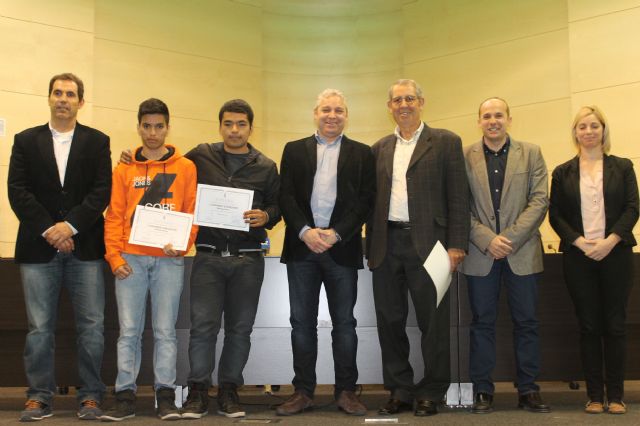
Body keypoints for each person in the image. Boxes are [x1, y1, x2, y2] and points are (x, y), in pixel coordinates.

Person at [123, 99, 281, 418]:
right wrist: (134, 156)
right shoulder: (201, 155)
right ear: (220, 126)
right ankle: (197, 391)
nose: (234, 130)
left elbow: (278, 207)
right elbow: (167, 161)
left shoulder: (266, 166)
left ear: (251, 128)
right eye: (228, 123)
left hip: (248, 260)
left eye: (241, 124)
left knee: (240, 329)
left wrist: (266, 215)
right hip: (208, 257)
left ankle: (229, 391)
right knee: (202, 328)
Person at [8, 73, 111, 422]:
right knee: (39, 328)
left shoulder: (97, 142)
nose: (63, 99)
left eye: (70, 94)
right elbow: (17, 191)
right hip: (37, 248)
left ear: (80, 101)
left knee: (92, 326)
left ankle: (91, 395)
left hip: (86, 247)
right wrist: (50, 230)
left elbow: (101, 192)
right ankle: (39, 397)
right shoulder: (25, 140)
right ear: (50, 98)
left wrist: (70, 226)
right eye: (57, 93)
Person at [367, 79, 469, 417]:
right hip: (386, 245)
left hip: (434, 246)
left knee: (434, 323)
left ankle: (431, 391)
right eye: (397, 100)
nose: (404, 105)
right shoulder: (378, 148)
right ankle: (400, 390)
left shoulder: (446, 142)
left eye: (409, 98)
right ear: (390, 107)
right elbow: (371, 202)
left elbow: (458, 196)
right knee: (390, 322)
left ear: (421, 102)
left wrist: (457, 244)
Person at [276, 89, 375, 416]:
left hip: (341, 249)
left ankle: (346, 392)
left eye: (339, 110)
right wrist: (306, 231)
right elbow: (286, 196)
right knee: (301, 323)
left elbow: (366, 200)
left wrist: (335, 234)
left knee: (345, 324)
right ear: (315, 114)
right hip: (302, 248)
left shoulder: (362, 153)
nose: (332, 115)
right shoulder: (293, 150)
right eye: (326, 110)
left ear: (346, 116)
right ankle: (303, 392)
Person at [101, 98, 198, 421]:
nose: (153, 132)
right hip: (130, 259)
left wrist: (181, 245)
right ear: (139, 127)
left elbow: (191, 213)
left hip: (169, 261)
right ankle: (124, 396)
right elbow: (114, 216)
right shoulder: (124, 168)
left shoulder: (185, 167)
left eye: (159, 126)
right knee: (128, 331)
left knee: (165, 331)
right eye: (147, 126)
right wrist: (114, 256)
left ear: (168, 127)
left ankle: (165, 397)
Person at [460, 97, 550, 414]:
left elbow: (539, 201)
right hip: (480, 254)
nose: (493, 121)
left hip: (521, 252)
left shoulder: (532, 153)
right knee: (481, 323)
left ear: (509, 119)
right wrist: (487, 240)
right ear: (479, 121)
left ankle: (528, 390)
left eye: (498, 115)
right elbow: (459, 205)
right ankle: (483, 390)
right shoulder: (464, 156)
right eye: (486, 116)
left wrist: (508, 239)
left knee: (526, 322)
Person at [549, 106, 638, 415]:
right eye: (582, 126)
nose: (588, 131)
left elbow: (632, 208)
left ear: (603, 130)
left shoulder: (623, 167)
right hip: (579, 256)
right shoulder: (562, 172)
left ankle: (617, 396)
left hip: (616, 254)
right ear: (575, 133)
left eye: (594, 126)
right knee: (588, 326)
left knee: (615, 325)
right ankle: (595, 396)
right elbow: (555, 214)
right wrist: (578, 241)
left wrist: (610, 241)